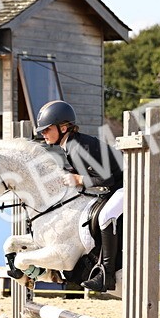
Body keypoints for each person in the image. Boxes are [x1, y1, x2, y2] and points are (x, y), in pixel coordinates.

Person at [34, 100, 124, 292]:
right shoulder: (71, 145)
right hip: (115, 186)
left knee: (107, 215)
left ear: (64, 127)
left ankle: (106, 274)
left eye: (47, 129)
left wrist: (78, 179)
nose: (43, 134)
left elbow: (105, 179)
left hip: (133, 183)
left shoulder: (78, 147)